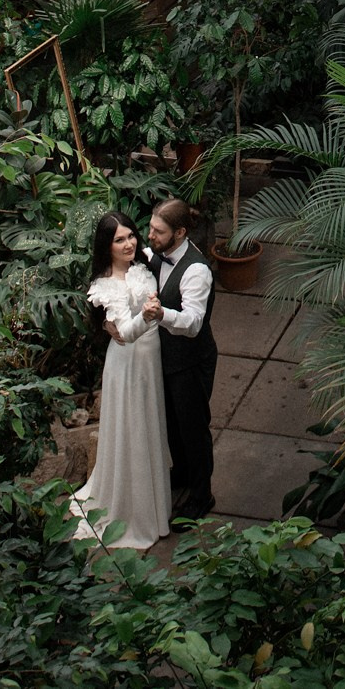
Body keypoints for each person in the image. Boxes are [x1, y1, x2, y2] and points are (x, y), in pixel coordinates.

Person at [68, 211, 170, 549]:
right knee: (132, 428)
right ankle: (135, 511)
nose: (128, 244)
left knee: (150, 422)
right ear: (106, 246)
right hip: (127, 365)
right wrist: (147, 315)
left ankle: (155, 501)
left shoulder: (144, 266)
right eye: (119, 240)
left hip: (150, 361)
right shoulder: (105, 287)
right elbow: (124, 332)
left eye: (130, 236)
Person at [144, 197, 218, 521]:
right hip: (166, 359)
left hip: (191, 360)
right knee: (172, 425)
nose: (150, 236)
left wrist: (162, 314)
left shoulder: (196, 271)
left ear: (180, 233)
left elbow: (193, 323)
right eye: (150, 228)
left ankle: (202, 496)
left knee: (193, 429)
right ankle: (183, 473)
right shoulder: (157, 255)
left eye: (158, 232)